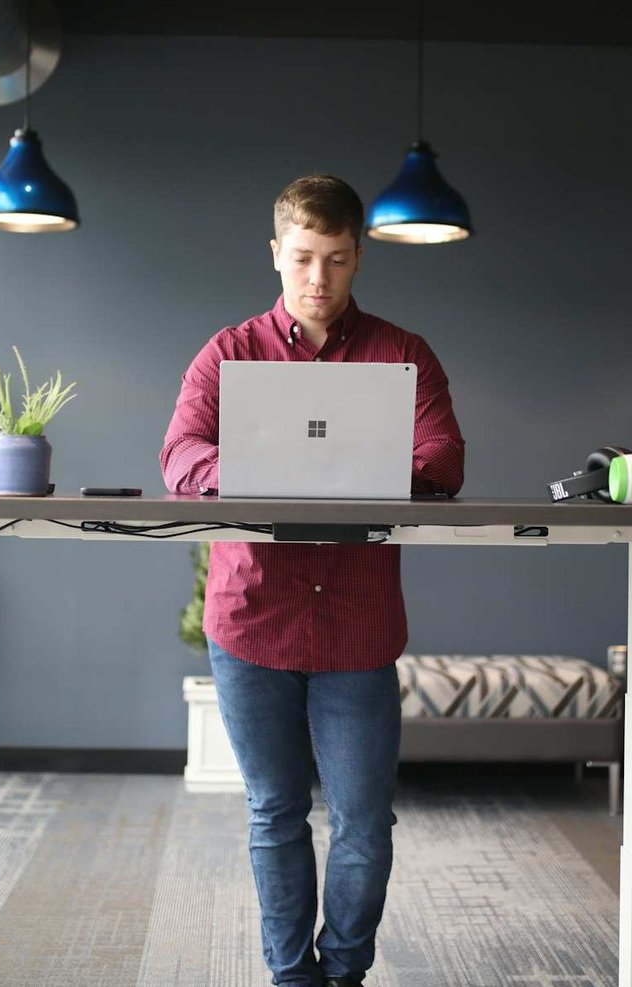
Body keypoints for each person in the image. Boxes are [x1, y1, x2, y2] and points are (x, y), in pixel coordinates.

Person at [160, 174, 464, 987]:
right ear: (275, 254)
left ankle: (344, 971)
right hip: (253, 619)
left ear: (359, 255)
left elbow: (441, 460)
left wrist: (348, 470)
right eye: (302, 259)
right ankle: (292, 979)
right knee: (275, 812)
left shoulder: (403, 354)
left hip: (360, 628)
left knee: (366, 821)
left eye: (335, 260)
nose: (317, 280)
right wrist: (264, 472)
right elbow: (182, 457)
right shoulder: (227, 353)